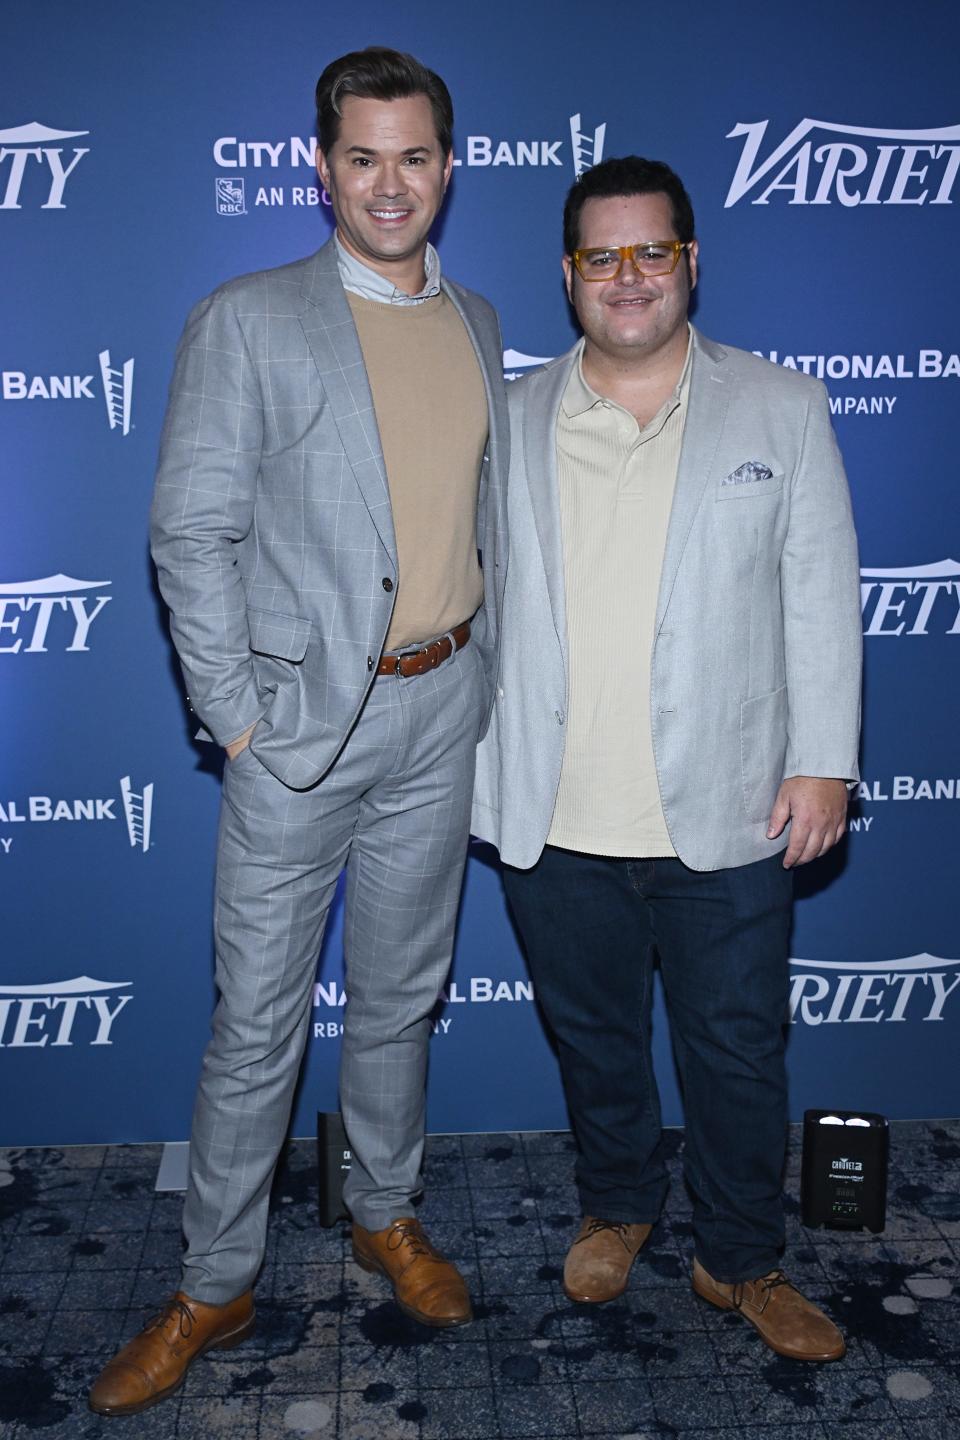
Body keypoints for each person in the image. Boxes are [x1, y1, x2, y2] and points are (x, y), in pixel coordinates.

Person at [89, 46, 507, 1417]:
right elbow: (189, 530)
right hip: (300, 739)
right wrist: (240, 722)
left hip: (442, 714)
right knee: (256, 1023)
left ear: (450, 167)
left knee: (399, 1000)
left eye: (416, 156)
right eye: (364, 157)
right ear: (320, 166)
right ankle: (217, 1279)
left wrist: (483, 679)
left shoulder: (479, 323)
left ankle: (385, 1213)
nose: (392, 183)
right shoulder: (248, 318)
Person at [472, 156, 861, 1363]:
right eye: (603, 255)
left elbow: (820, 599)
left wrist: (825, 762)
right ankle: (620, 1206)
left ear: (691, 262)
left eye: (652, 252)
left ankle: (740, 1257)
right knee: (594, 1040)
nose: (628, 277)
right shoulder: (511, 413)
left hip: (733, 804)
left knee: (736, 1047)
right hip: (559, 809)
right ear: (568, 275)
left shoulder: (781, 407)